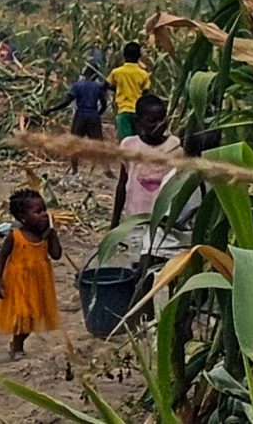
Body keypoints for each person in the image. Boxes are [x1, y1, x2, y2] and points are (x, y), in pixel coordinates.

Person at [114, 94, 186, 269]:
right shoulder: (129, 145)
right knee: (139, 270)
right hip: (137, 219)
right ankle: (144, 297)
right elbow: (122, 184)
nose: (159, 125)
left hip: (164, 221)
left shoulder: (175, 146)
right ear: (138, 122)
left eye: (163, 119)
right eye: (152, 121)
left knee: (167, 268)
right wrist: (114, 224)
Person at [0, 188, 64, 360]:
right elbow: (2, 258)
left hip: (39, 284)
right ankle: (17, 347)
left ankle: (17, 344)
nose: (44, 215)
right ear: (23, 217)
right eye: (38, 212)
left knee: (33, 318)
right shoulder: (15, 236)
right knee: (23, 316)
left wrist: (52, 236)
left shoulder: (45, 236)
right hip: (19, 283)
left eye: (44, 211)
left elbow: (56, 255)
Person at [52, 65, 111, 158]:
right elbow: (104, 105)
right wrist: (97, 114)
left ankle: (74, 169)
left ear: (85, 74)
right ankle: (106, 169)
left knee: (74, 143)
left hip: (80, 115)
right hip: (93, 115)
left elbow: (67, 102)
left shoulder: (78, 86)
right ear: (95, 75)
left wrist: (51, 110)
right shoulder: (98, 87)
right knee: (99, 145)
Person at [109, 42, 152, 138]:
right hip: (138, 112)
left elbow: (107, 85)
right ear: (139, 56)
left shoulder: (116, 72)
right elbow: (146, 94)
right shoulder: (143, 74)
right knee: (138, 140)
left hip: (124, 110)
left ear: (124, 55)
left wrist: (118, 89)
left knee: (125, 141)